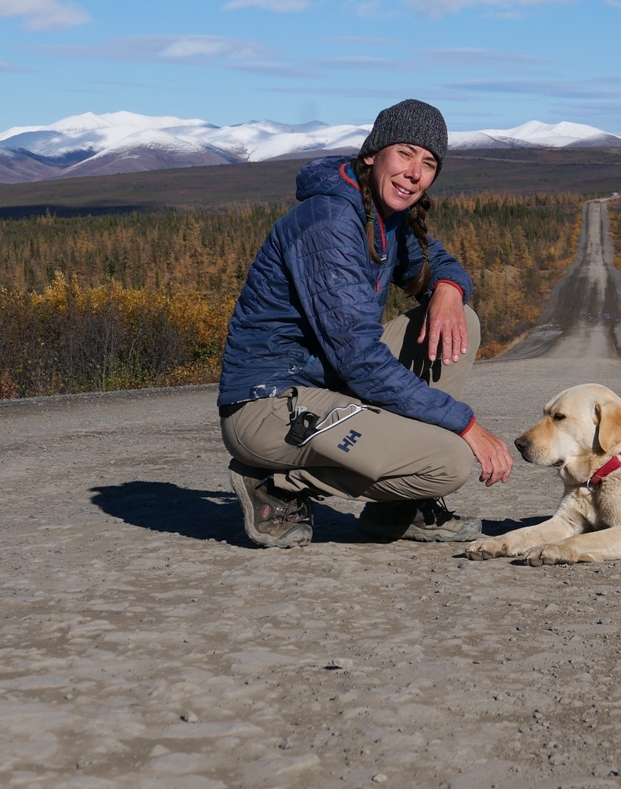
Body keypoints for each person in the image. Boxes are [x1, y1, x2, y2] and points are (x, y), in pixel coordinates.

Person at [217, 99, 514, 547]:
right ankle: (275, 484)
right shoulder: (331, 221)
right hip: (268, 405)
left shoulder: (381, 214)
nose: (415, 172)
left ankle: (397, 509)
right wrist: (466, 424)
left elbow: (433, 257)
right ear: (372, 154)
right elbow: (360, 360)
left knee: (462, 323)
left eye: (429, 163)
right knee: (448, 462)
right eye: (406, 153)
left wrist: (450, 290)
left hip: (326, 384)